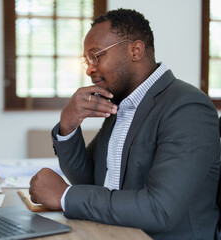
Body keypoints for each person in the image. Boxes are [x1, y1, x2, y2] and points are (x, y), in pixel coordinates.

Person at [29, 8, 221, 240]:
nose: (90, 68)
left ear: (135, 50)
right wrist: (68, 126)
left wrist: (65, 196)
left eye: (96, 55)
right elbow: (90, 181)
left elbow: (160, 209)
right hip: (111, 232)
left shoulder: (187, 107)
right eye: (87, 60)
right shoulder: (120, 104)